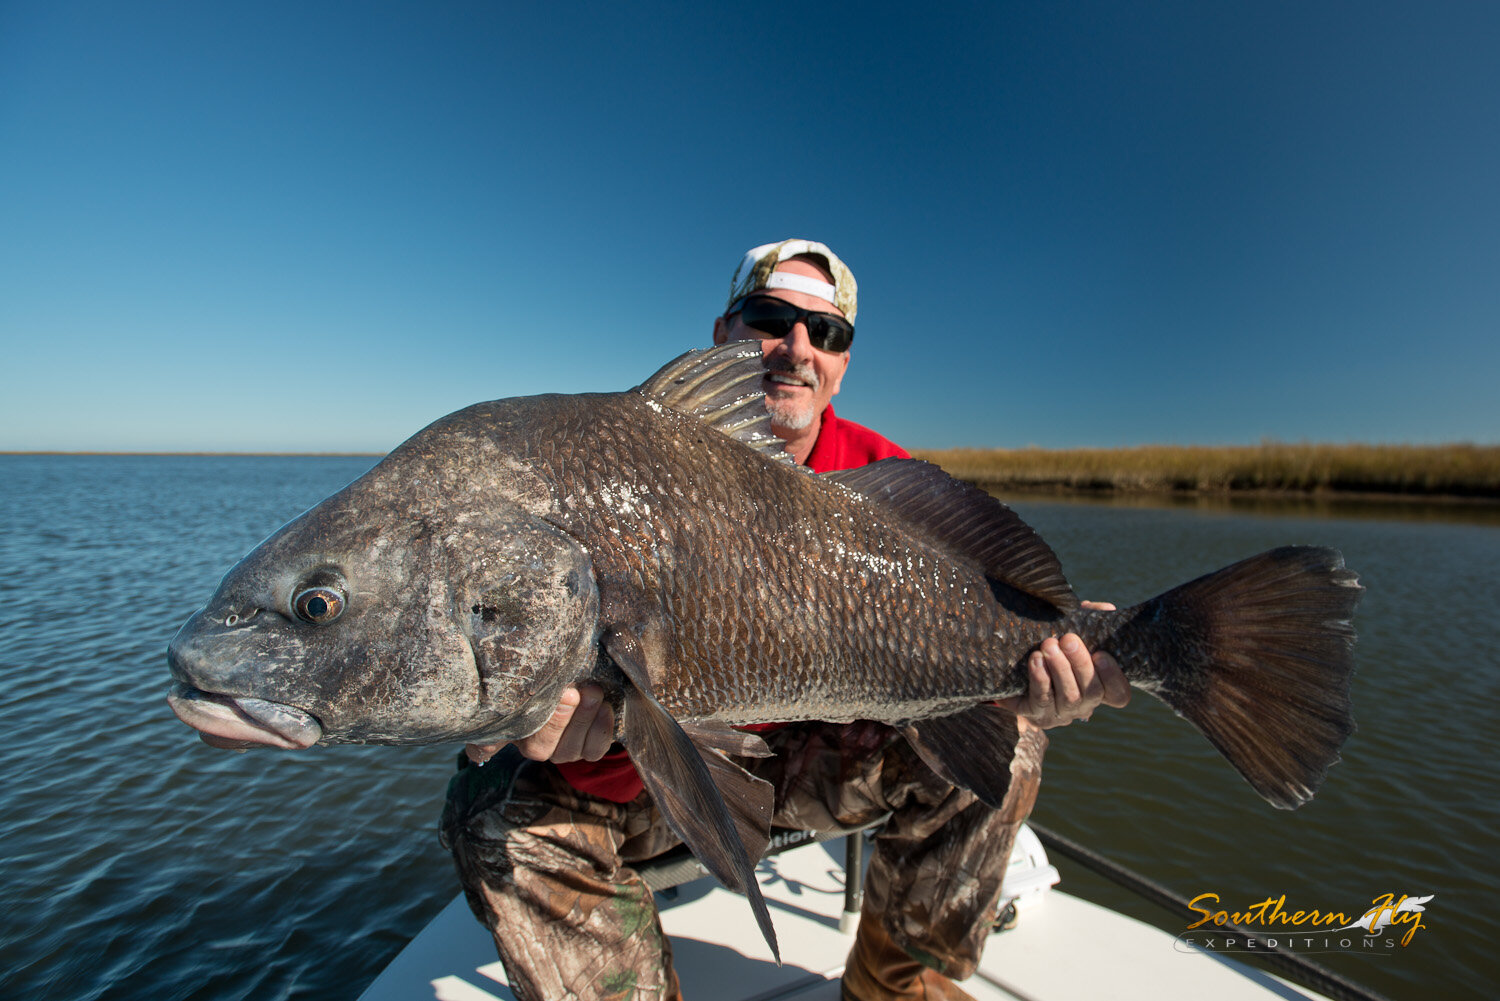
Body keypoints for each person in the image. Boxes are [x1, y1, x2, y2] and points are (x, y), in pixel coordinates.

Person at [441, 239, 1130, 1001]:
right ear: (722, 333)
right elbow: (598, 715)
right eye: (770, 317)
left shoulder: (886, 482)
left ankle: (889, 983)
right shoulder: (619, 463)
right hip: (655, 774)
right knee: (486, 807)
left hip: (807, 757)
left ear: (842, 360)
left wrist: (1054, 662)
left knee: (1016, 743)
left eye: (827, 332)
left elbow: (983, 634)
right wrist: (569, 735)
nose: (797, 347)